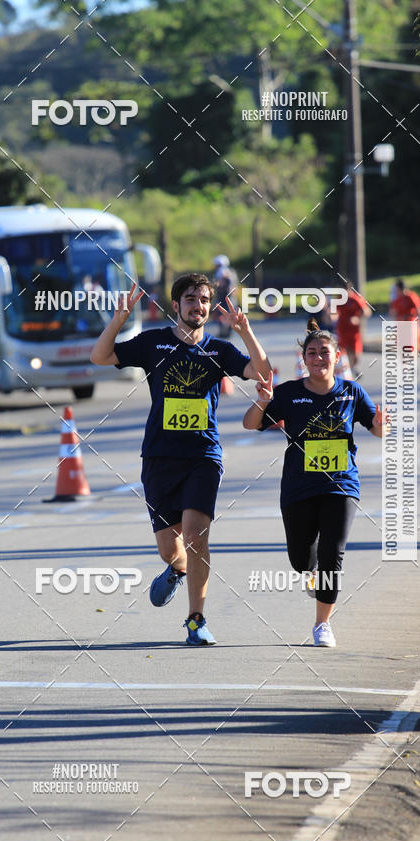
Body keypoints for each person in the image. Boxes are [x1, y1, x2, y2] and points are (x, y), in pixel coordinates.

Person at [90, 273, 271, 645]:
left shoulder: (219, 350)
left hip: (203, 456)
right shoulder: (153, 343)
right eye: (190, 299)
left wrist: (245, 332)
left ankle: (195, 620)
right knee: (170, 548)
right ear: (176, 306)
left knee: (195, 536)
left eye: (204, 300)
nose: (198, 305)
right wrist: (119, 321)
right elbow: (101, 356)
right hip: (159, 458)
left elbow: (263, 372)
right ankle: (175, 570)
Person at [243, 318, 389, 648]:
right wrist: (263, 400)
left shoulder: (352, 392)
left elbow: (377, 429)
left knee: (332, 553)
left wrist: (381, 424)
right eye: (312, 352)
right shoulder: (289, 393)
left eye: (325, 352)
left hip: (341, 485)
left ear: (338, 357)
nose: (319, 357)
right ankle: (311, 576)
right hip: (298, 486)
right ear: (303, 359)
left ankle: (322, 624)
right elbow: (250, 424)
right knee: (301, 559)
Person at [335, 279, 372, 371]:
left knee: (355, 351)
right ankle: (349, 369)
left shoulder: (355, 299)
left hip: (354, 330)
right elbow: (333, 311)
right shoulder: (339, 299)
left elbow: (367, 312)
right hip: (342, 328)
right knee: (344, 349)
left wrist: (357, 319)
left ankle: (353, 367)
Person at [389, 279, 420, 350]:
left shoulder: (411, 296)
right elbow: (392, 313)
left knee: (410, 349)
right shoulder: (397, 299)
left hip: (410, 326)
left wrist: (407, 316)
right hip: (400, 327)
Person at [212, 255, 239, 338]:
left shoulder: (221, 271)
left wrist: (216, 286)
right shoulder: (230, 271)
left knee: (221, 313)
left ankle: (223, 332)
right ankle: (228, 332)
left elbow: (221, 282)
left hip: (223, 296)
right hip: (231, 297)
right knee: (230, 313)